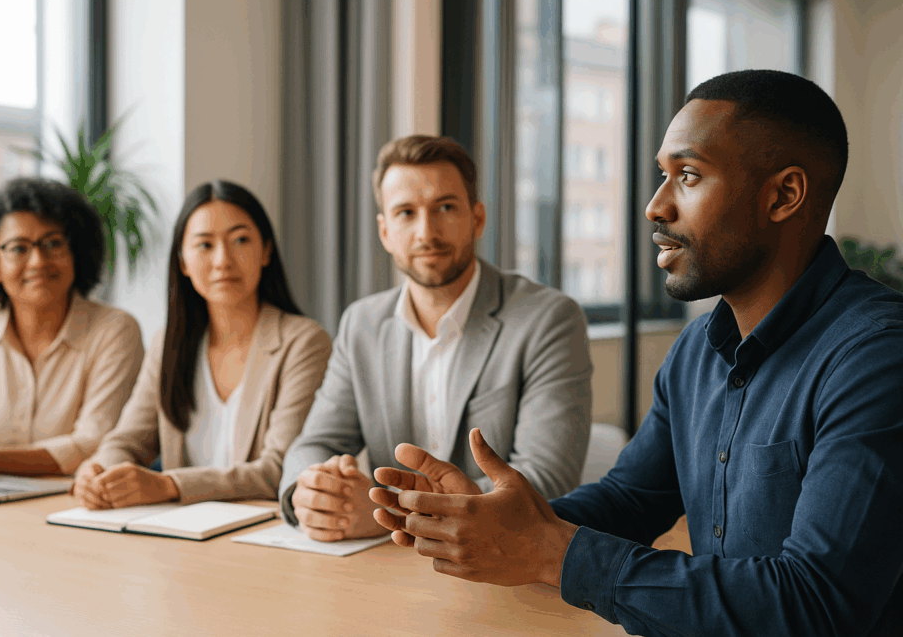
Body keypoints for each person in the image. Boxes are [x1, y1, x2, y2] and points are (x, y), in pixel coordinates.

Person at [369, 70, 903, 636]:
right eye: (661, 176)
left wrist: (552, 552)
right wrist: (491, 518)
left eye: (688, 176)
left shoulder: (876, 358)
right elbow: (630, 501)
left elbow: (815, 604)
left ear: (783, 195)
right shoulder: (698, 349)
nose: (654, 206)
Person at [279, 134, 593, 541]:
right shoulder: (362, 324)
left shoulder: (548, 319)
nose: (427, 232)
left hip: (504, 564)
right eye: (406, 213)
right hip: (387, 567)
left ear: (476, 218)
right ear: (385, 231)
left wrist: (388, 511)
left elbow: (546, 477)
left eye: (445, 208)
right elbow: (315, 442)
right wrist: (308, 493)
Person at [72, 181, 332, 509]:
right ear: (182, 262)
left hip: (260, 532)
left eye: (240, 240)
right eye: (205, 245)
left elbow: (279, 470)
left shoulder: (304, 342)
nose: (223, 260)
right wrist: (98, 472)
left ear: (266, 251)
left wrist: (169, 484)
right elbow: (127, 441)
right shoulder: (168, 343)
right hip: (180, 533)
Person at [0, 177, 144, 476]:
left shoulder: (116, 330)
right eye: (18, 249)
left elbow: (95, 443)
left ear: (76, 253)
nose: (38, 262)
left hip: (76, 500)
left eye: (53, 243)